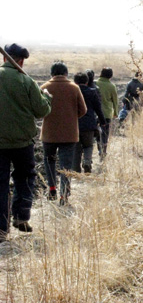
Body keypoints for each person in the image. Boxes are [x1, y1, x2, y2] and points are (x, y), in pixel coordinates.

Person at [0, 43, 51, 240]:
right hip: (22, 142)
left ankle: (1, 229)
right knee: (25, 177)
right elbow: (42, 111)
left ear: (5, 58)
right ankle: (21, 217)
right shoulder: (26, 81)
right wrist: (47, 98)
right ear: (20, 61)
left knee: (1, 183)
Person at [41, 62, 87, 205]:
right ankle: (63, 196)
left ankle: (52, 188)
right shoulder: (74, 87)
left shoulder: (44, 87)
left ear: (52, 73)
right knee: (66, 166)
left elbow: (39, 109)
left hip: (49, 133)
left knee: (49, 161)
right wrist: (71, 118)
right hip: (69, 134)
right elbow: (83, 110)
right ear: (66, 73)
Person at [73, 72, 105, 174]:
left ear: (75, 82)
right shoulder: (92, 92)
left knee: (76, 148)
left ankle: (76, 169)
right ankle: (87, 162)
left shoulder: (72, 92)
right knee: (88, 145)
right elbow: (98, 108)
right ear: (87, 82)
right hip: (89, 124)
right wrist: (102, 121)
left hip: (75, 124)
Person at [95, 67, 118, 159]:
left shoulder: (95, 83)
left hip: (95, 113)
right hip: (107, 113)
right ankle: (103, 150)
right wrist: (115, 113)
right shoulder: (112, 86)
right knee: (105, 133)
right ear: (111, 75)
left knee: (97, 132)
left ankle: (99, 148)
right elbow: (115, 101)